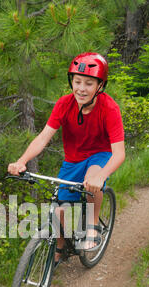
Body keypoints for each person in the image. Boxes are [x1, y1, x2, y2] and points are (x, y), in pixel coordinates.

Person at [8, 52, 125, 266]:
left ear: (100, 86)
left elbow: (119, 153)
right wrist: (21, 161)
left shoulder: (109, 108)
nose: (81, 88)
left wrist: (102, 176)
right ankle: (60, 247)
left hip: (100, 155)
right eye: (77, 81)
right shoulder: (64, 104)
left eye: (89, 83)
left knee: (92, 181)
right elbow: (43, 137)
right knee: (58, 210)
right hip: (72, 160)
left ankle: (92, 224)